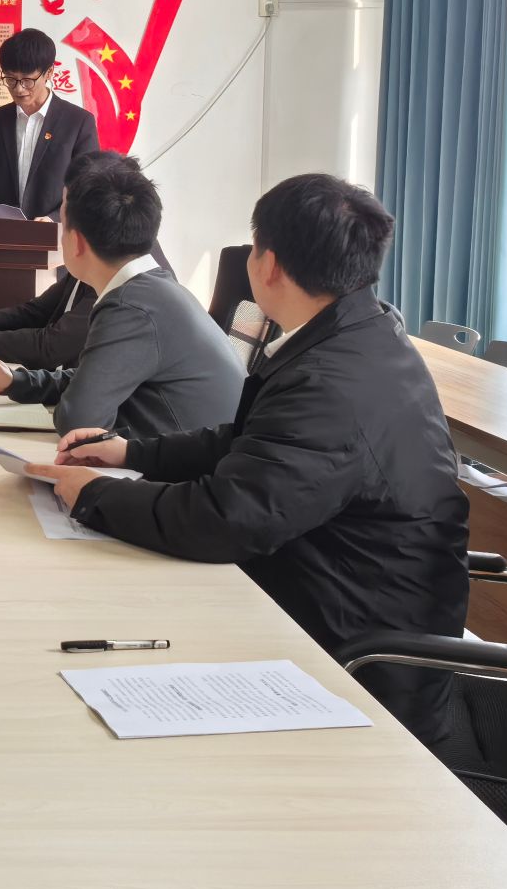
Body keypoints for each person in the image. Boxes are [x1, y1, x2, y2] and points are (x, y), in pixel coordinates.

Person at [28, 173, 467, 744]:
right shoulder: (358, 334)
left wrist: (93, 495)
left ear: (270, 265)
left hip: (355, 657)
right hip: (333, 592)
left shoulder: (330, 381)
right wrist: (132, 452)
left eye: (254, 247)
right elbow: (250, 442)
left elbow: (227, 519)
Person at [0, 153, 242, 440]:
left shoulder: (129, 307)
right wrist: (15, 382)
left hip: (186, 464)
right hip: (183, 451)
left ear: (76, 242)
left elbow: (78, 420)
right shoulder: (150, 290)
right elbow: (93, 378)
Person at [0, 28, 98, 220]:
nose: (19, 89)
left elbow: (86, 189)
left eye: (27, 80)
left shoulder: (78, 122)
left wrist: (55, 219)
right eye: (10, 79)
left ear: (49, 72)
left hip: (54, 234)